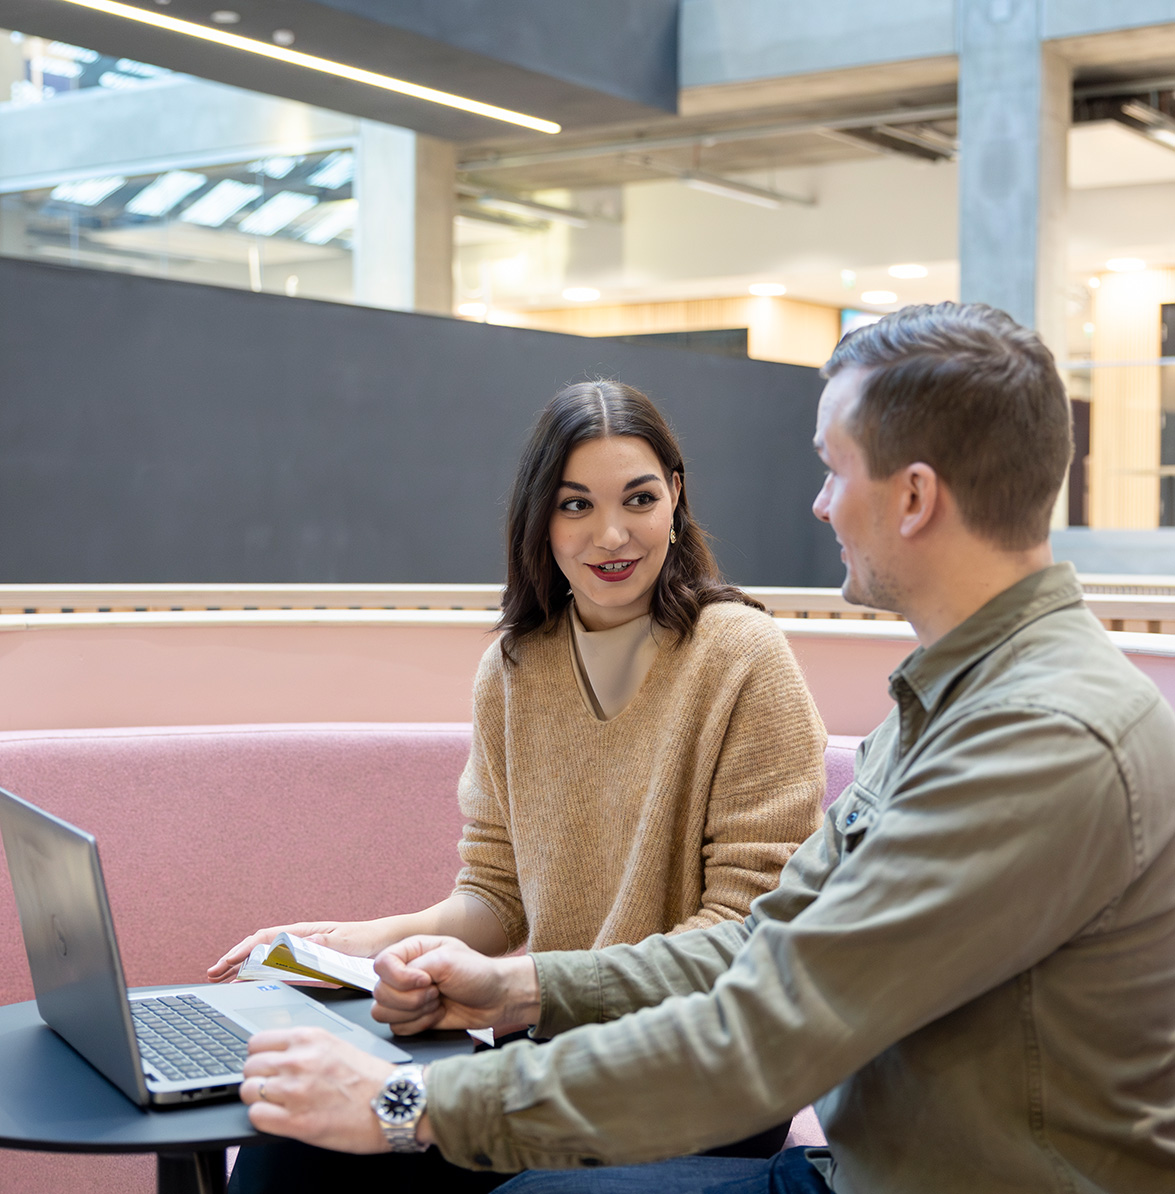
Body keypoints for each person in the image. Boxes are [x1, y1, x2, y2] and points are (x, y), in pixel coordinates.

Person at [235, 303, 1175, 1193]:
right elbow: (760, 946)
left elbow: (768, 1031)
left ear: (915, 496)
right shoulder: (950, 698)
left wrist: (410, 1103)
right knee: (301, 1159)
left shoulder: (1041, 738)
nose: (817, 505)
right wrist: (511, 988)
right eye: (573, 506)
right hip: (846, 1163)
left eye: (832, 470)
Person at [215, 380, 827, 1189]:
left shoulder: (744, 657)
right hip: (546, 1061)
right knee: (289, 1155)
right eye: (575, 505)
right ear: (540, 517)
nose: (611, 534)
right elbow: (496, 897)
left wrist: (517, 991)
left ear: (674, 500)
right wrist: (343, 943)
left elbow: (747, 935)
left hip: (694, 1080)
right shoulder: (512, 670)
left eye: (637, 498)